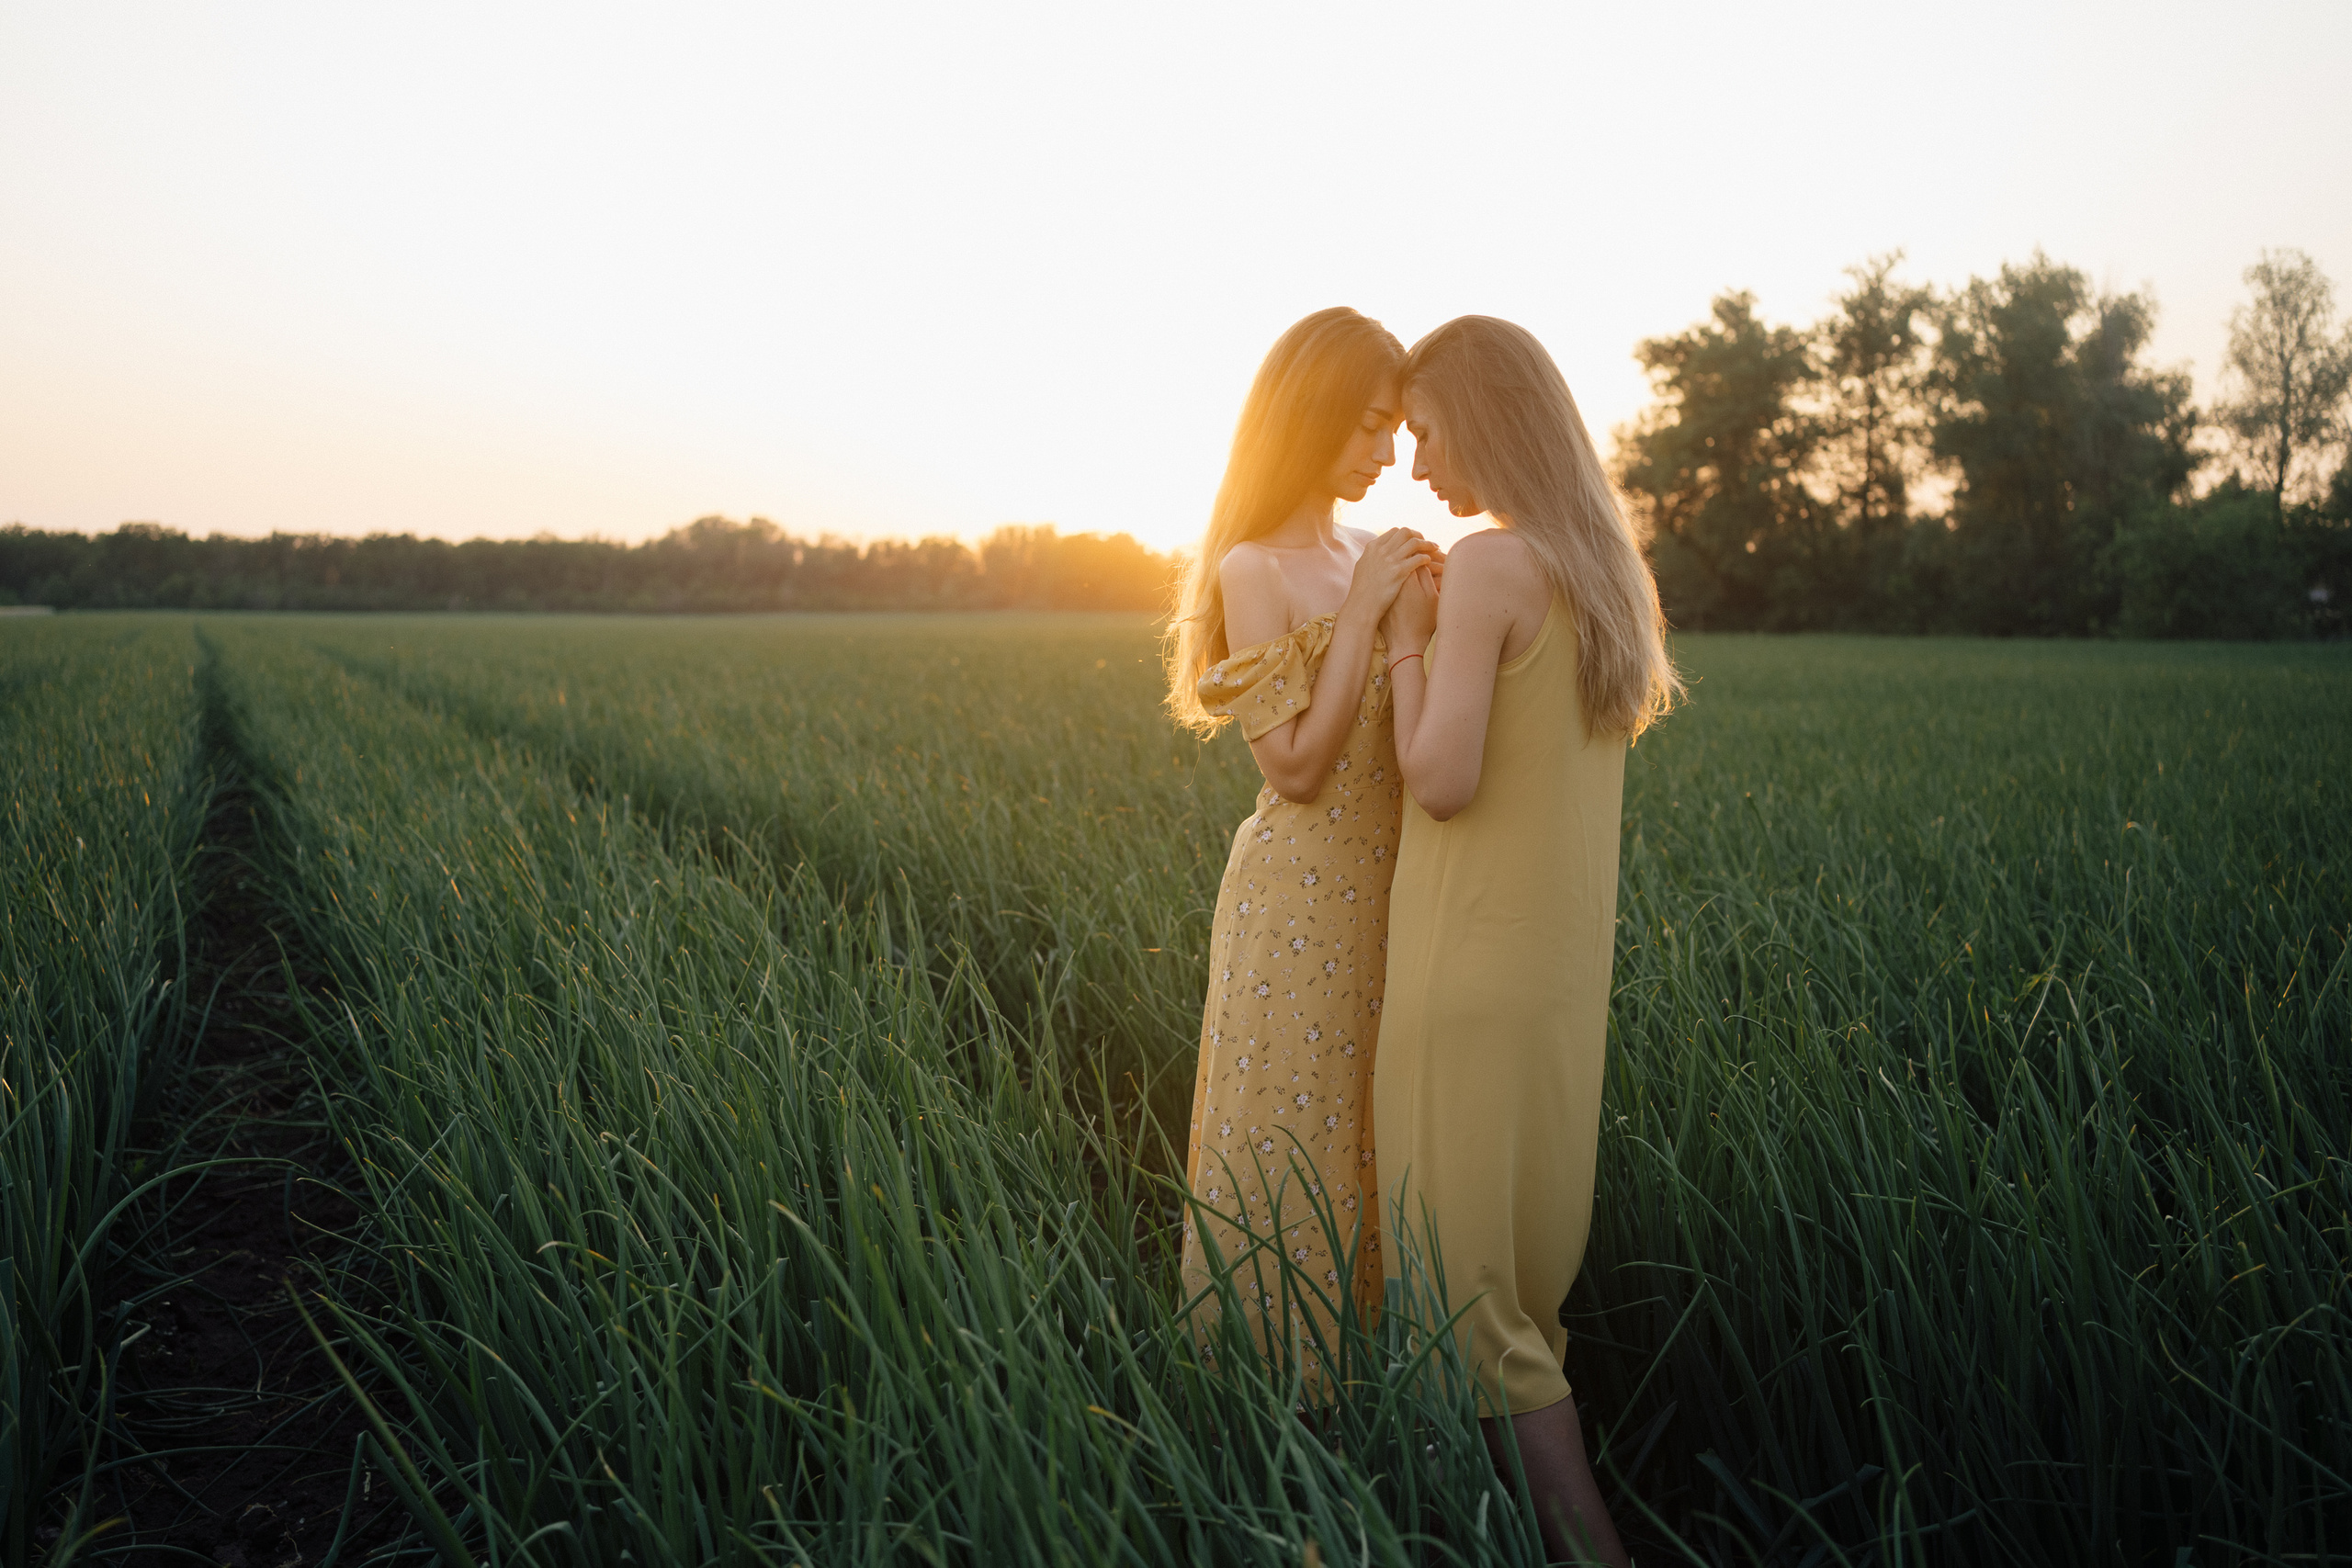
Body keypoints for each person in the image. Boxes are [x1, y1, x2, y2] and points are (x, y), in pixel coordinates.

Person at [1376, 316, 1680, 1566]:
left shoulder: (1492, 565)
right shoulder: (1603, 569)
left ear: (1485, 419)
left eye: (1426, 431)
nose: (1414, 465)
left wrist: (1401, 635)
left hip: (1464, 976)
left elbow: (1439, 777)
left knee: (1469, 1310)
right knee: (1522, 1310)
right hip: (1558, 992)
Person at [1165, 306, 1441, 1382]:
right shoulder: (1254, 568)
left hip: (1402, 884)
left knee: (1382, 1135)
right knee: (1292, 1126)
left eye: (1395, 432)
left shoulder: (1377, 549)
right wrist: (1369, 619)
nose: (1386, 455)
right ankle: (1275, 1394)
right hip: (1298, 893)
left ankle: (1381, 1377)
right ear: (1311, 417)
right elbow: (1293, 767)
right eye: (1368, 428)